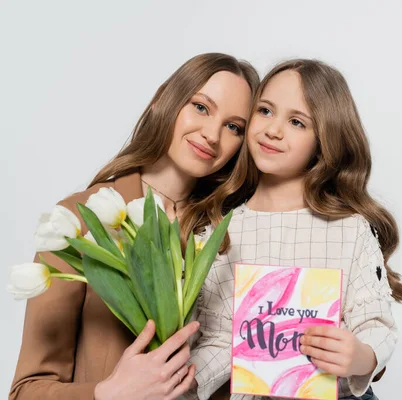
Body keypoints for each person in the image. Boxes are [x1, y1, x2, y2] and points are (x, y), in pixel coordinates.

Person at [10, 52, 259, 400]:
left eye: (234, 127)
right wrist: (107, 393)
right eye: (201, 107)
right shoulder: (81, 220)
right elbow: (26, 390)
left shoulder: (230, 236)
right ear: (162, 101)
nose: (212, 135)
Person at [188, 59, 402, 400]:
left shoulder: (348, 230)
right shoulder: (219, 229)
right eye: (265, 111)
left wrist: (360, 356)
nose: (273, 129)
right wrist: (184, 383)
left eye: (296, 122)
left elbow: (375, 324)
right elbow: (221, 339)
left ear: (325, 139)